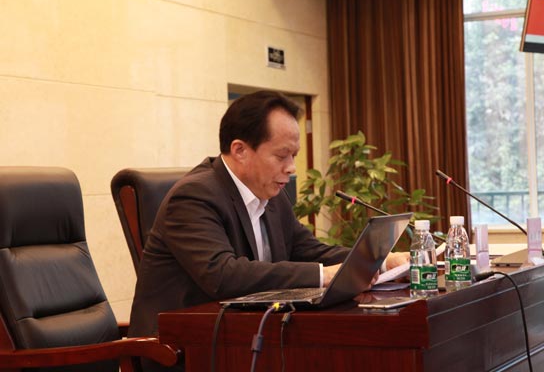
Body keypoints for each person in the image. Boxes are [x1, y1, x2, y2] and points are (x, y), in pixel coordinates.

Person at [128, 90, 409, 370]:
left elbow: (307, 250)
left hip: (242, 339)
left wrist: (382, 261)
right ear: (240, 150)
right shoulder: (194, 197)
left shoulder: (270, 193)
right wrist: (323, 275)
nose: (291, 168)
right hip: (181, 352)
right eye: (282, 156)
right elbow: (222, 274)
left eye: (294, 156)